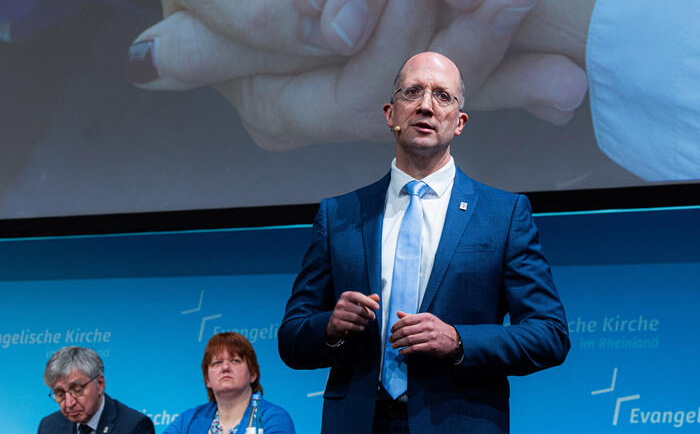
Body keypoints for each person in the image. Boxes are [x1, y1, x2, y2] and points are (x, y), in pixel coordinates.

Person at [279, 51, 570, 434]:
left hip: (460, 422)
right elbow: (292, 337)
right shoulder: (339, 215)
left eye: (442, 96)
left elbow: (550, 333)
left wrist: (459, 339)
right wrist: (330, 327)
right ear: (390, 114)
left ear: (460, 122)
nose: (426, 106)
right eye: (413, 92)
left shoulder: (504, 214)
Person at [164, 332, 294, 434]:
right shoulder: (188, 420)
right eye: (217, 362)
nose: (225, 367)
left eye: (235, 361)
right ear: (207, 379)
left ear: (253, 374)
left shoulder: (273, 418)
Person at [38, 346, 154, 434]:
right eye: (60, 393)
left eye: (77, 390)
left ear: (100, 384)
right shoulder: (49, 426)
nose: (69, 403)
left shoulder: (134, 426)